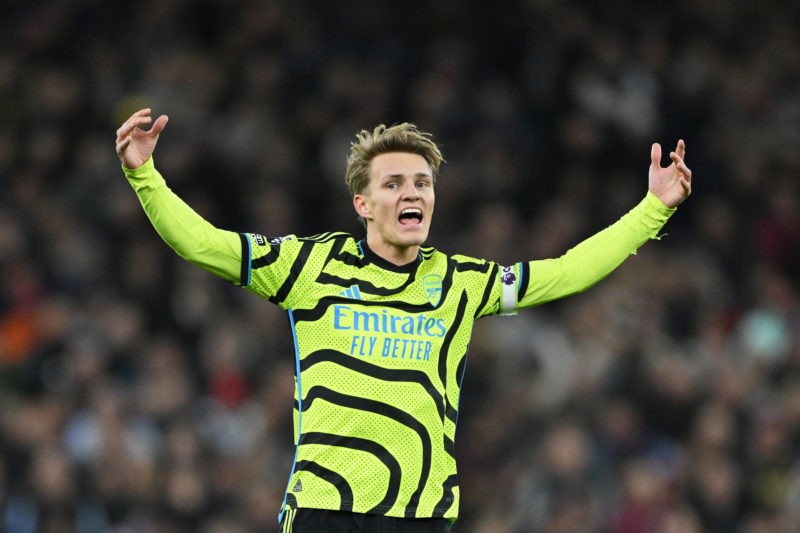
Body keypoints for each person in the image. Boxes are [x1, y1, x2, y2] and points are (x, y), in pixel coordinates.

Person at [115, 108, 692, 532]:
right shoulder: (308, 266)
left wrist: (652, 209)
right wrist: (145, 175)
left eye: (422, 182)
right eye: (393, 183)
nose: (412, 192)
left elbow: (565, 272)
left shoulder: (463, 282)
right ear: (363, 204)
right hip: (324, 510)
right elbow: (203, 245)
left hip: (420, 515)